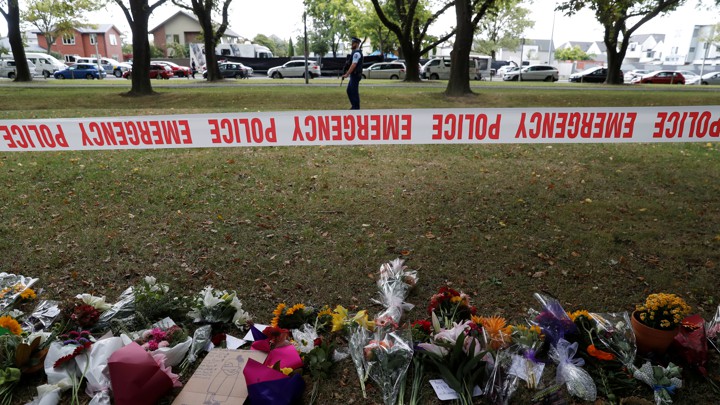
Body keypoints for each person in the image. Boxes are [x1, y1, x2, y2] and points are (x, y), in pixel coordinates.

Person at [342, 36, 363, 110]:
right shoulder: (354, 53)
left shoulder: (356, 54)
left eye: (353, 43)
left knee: (354, 91)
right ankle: (354, 106)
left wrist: (347, 74)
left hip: (355, 74)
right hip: (353, 74)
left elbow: (354, 64)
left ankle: (356, 107)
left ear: (357, 44)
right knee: (349, 90)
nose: (352, 44)